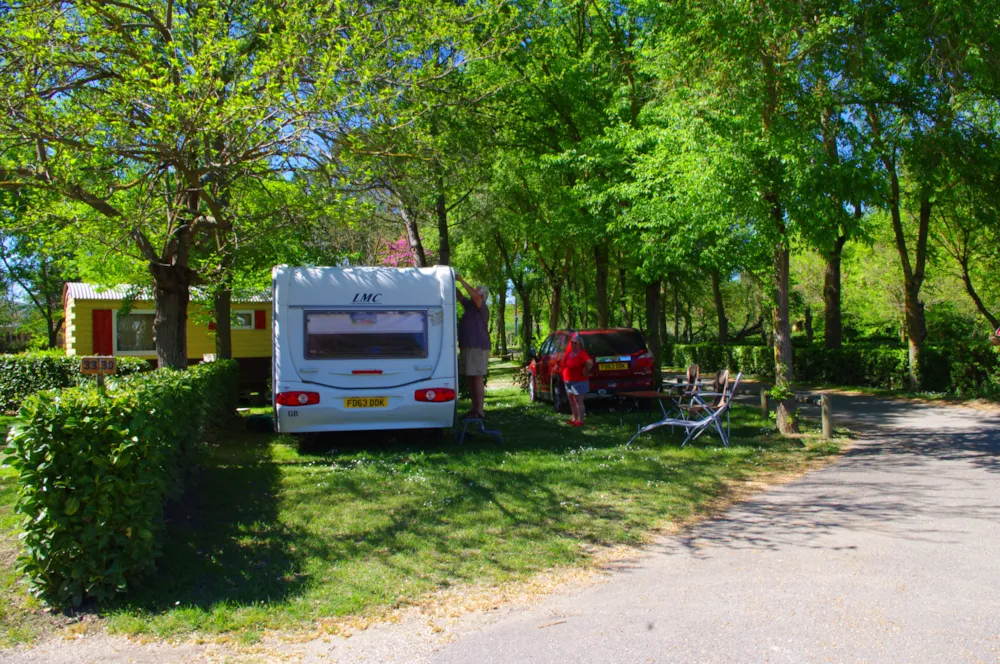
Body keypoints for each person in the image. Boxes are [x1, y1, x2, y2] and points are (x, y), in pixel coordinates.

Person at [456, 274, 490, 419]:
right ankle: (474, 409)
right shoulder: (470, 306)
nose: (473, 292)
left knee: (476, 377)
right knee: (470, 377)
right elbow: (459, 296)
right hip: (467, 346)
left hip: (477, 347)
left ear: (482, 295)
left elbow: (474, 296)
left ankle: (479, 410)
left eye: (476, 290)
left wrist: (461, 280)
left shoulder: (481, 306)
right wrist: (450, 281)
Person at [560, 334, 594, 427]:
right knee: (571, 400)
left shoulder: (582, 353)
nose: (572, 344)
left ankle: (580, 420)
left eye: (575, 343)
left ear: (579, 344)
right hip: (568, 380)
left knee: (578, 400)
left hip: (579, 380)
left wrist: (585, 371)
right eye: (571, 342)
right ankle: (574, 418)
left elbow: (590, 362)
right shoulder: (569, 353)